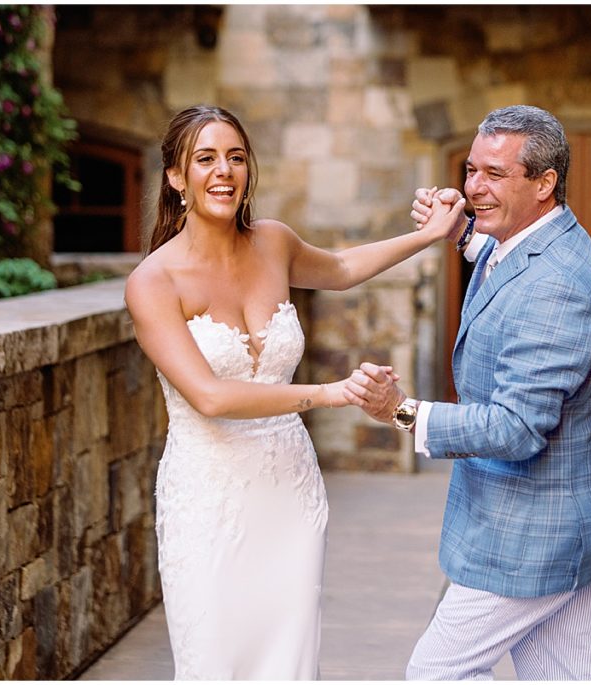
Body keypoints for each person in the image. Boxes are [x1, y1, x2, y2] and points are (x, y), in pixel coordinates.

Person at [123, 104, 464, 680]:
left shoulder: (273, 243)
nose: (224, 171)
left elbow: (342, 266)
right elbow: (210, 396)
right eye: (205, 159)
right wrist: (332, 394)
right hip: (209, 500)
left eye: (235, 157)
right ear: (176, 177)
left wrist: (427, 235)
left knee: (288, 663)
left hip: (290, 492)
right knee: (214, 664)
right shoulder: (153, 283)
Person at [345, 105, 591, 680]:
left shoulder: (554, 287)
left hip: (536, 535)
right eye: (471, 170)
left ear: (544, 183)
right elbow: (503, 261)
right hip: (563, 525)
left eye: (494, 175)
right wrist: (460, 234)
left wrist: (401, 412)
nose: (474, 187)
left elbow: (516, 427)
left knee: (435, 673)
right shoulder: (543, 240)